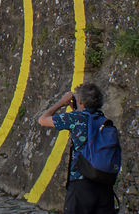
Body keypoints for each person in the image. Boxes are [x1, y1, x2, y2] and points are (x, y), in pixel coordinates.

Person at [36, 82, 120, 213]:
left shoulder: (76, 119)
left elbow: (42, 119)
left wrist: (62, 102)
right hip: (105, 184)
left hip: (81, 184)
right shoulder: (104, 121)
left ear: (80, 100)